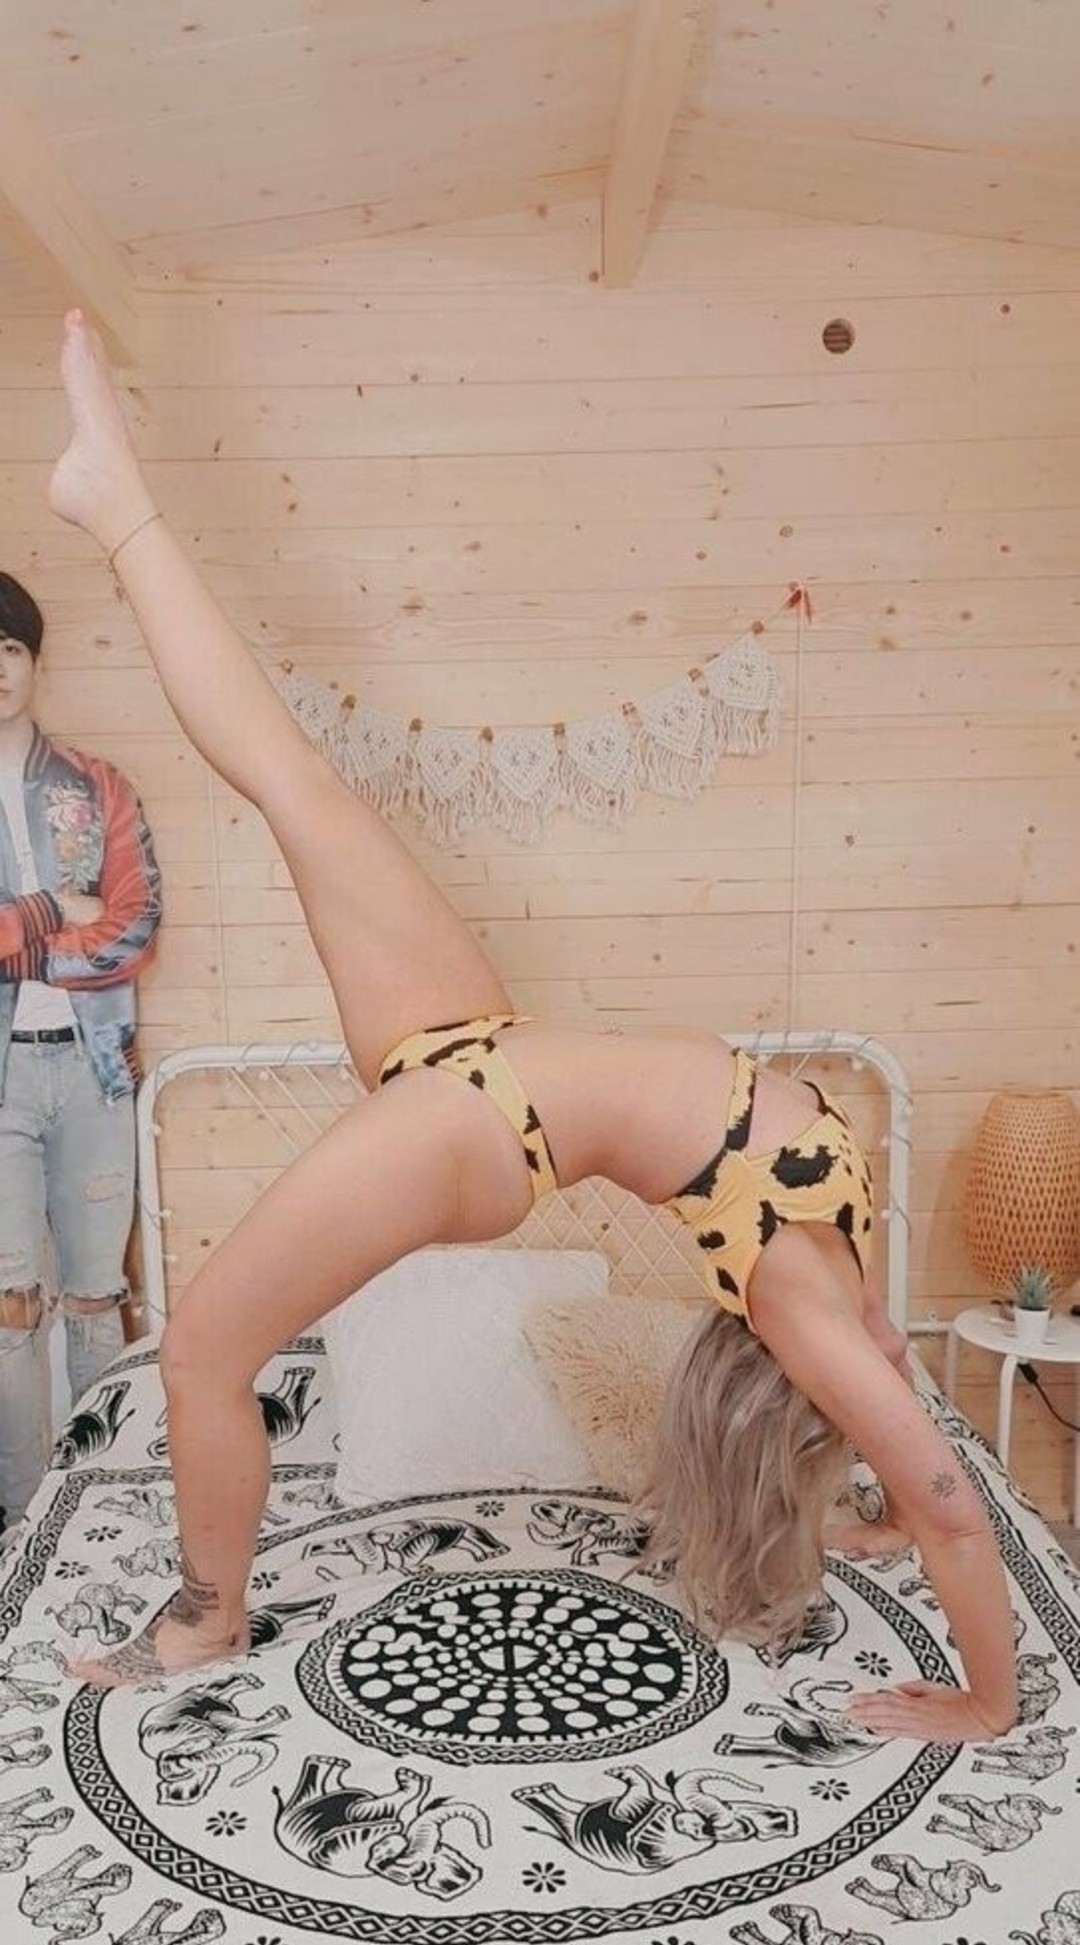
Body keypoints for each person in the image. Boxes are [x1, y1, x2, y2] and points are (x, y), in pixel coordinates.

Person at [49, 310, 1018, 1743]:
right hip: (473, 1041)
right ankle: (116, 500)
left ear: (795, 1387)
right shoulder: (846, 1281)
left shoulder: (797, 1295)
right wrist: (856, 1502)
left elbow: (948, 1497)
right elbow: (899, 1441)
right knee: (294, 776)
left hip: (482, 1126)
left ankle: (206, 1615)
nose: (876, 1381)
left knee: (199, 1350)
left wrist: (985, 1699)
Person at [0, 567, 161, 1533]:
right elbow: (88, 919)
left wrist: (23, 944)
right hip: (2, 1087)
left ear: (34, 660)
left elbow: (136, 926)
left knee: (99, 1295)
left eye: (9, 647)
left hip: (97, 1067)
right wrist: (52, 910)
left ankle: (100, 1509)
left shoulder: (99, 787)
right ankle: (22, 1519)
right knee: (9, 1303)